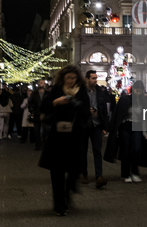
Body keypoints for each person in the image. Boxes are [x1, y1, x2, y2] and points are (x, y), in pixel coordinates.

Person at [39, 65, 90, 216]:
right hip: (57, 136)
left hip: (75, 136)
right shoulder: (56, 90)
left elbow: (86, 112)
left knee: (75, 169)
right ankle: (59, 205)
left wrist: (78, 105)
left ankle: (68, 191)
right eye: (68, 78)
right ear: (63, 78)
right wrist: (56, 102)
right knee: (57, 172)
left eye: (73, 78)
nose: (70, 81)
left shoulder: (81, 91)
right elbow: (44, 107)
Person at [104, 80, 147, 182]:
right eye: (137, 90)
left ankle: (134, 172)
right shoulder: (125, 99)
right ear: (133, 90)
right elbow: (118, 114)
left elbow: (145, 118)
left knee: (136, 148)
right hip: (125, 126)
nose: (138, 93)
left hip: (137, 126)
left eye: (140, 91)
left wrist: (145, 132)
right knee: (125, 149)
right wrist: (115, 129)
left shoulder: (144, 102)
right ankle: (126, 174)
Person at [80, 70, 109, 188]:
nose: (95, 80)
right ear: (87, 79)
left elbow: (103, 110)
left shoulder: (100, 91)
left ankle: (99, 176)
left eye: (96, 78)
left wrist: (104, 127)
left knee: (97, 151)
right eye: (92, 78)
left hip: (96, 124)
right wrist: (87, 112)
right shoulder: (81, 91)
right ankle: (84, 174)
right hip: (84, 125)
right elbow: (77, 106)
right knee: (83, 151)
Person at [31, 79, 49, 150]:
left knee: (45, 130)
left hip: (45, 113)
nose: (40, 84)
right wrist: (32, 110)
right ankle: (38, 145)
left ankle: (44, 145)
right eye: (39, 83)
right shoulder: (34, 93)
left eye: (42, 83)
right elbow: (31, 102)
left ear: (44, 84)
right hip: (37, 113)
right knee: (37, 131)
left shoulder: (47, 93)